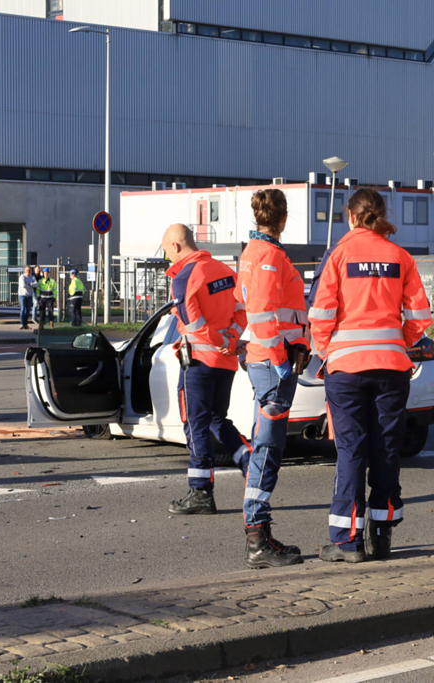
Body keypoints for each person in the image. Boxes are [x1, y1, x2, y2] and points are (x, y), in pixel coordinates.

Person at [308, 188, 432, 563]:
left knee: (351, 451)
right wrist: (400, 341)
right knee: (386, 451)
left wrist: (325, 351)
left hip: (345, 368)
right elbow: (420, 318)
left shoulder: (339, 254)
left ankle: (347, 542)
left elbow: (321, 313)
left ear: (349, 215)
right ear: (381, 215)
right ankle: (382, 536)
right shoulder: (400, 257)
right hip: (391, 368)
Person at [235, 189, 308, 568]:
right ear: (282, 220)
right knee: (268, 450)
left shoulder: (251, 252)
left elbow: (241, 304)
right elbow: (263, 313)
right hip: (273, 363)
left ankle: (258, 534)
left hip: (264, 359)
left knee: (265, 446)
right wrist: (281, 359)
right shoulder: (270, 256)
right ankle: (257, 539)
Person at [163, 224, 251, 522]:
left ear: (176, 246)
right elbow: (242, 310)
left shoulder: (184, 276)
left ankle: (201, 491)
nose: (167, 259)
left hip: (199, 361)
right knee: (216, 419)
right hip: (224, 362)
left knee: (196, 423)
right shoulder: (224, 270)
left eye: (166, 252)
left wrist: (221, 341)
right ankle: (249, 460)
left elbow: (193, 321)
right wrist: (232, 338)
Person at [17, 265, 37, 330]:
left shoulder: (33, 277)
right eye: (27, 270)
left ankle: (26, 324)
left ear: (30, 271)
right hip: (22, 295)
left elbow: (36, 284)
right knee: (23, 309)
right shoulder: (22, 277)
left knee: (28, 310)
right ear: (24, 271)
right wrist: (31, 285)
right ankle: (21, 324)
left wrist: (30, 284)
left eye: (29, 270)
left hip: (29, 296)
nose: (28, 271)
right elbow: (23, 285)